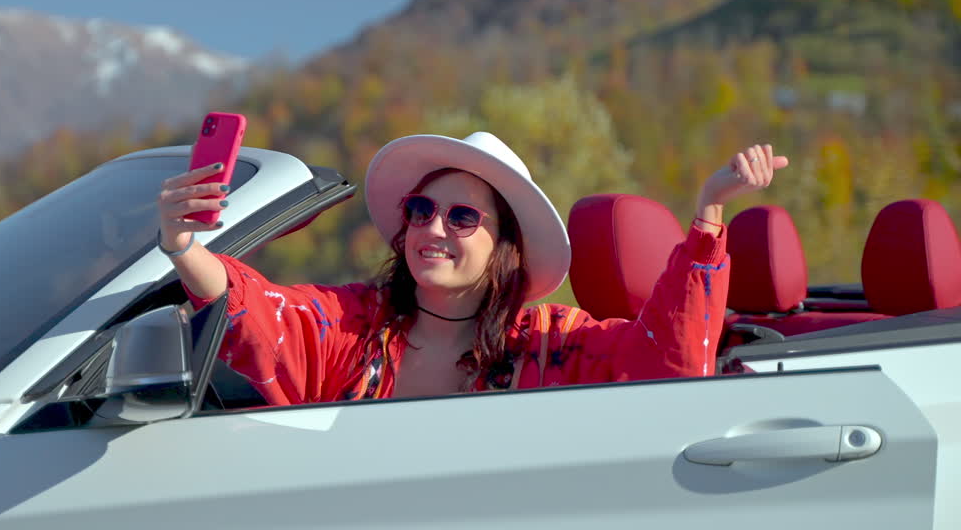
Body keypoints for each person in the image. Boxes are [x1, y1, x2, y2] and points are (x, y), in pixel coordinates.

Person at [156, 131, 787, 405]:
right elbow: (255, 313)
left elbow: (670, 367)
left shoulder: (555, 342)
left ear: (503, 247)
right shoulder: (351, 322)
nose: (433, 228)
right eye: (423, 209)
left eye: (462, 218)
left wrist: (707, 213)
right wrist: (184, 247)